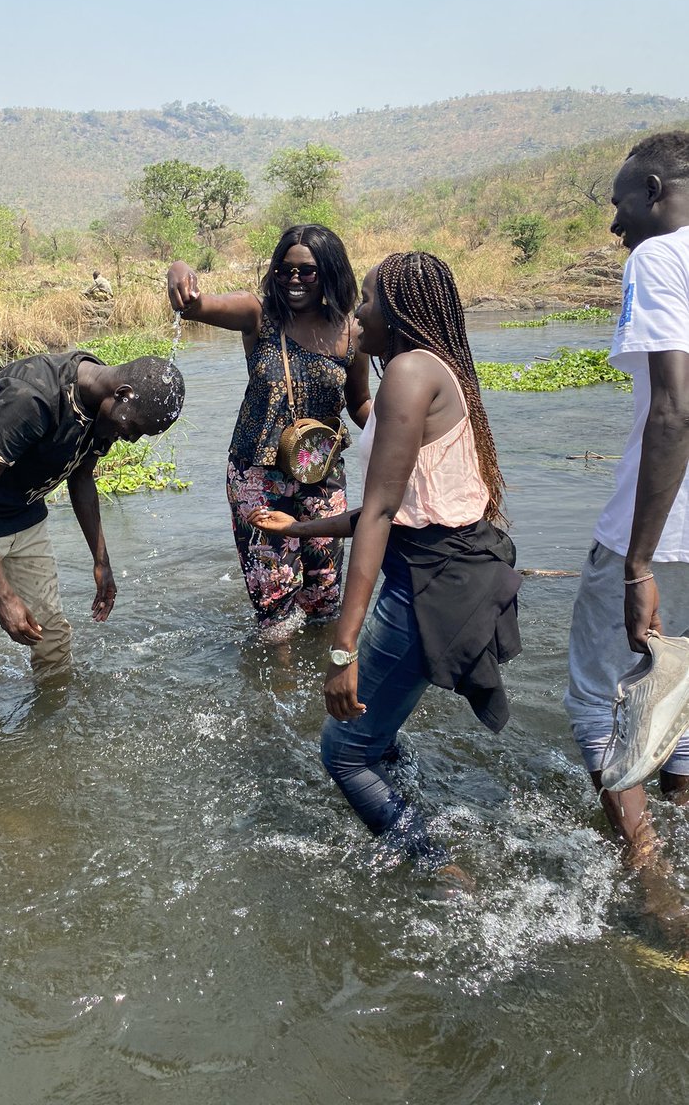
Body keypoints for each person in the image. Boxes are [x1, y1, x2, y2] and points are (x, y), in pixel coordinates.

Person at [250, 252, 521, 879]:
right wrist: (300, 526)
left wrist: (341, 648)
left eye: (368, 299)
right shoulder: (429, 369)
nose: (357, 310)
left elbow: (378, 513)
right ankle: (413, 800)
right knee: (374, 729)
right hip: (440, 567)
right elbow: (389, 505)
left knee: (343, 753)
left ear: (397, 310)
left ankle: (439, 869)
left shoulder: (408, 370)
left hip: (431, 580)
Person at [0, 352, 185, 732]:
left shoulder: (102, 409)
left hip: (22, 514)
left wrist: (101, 560)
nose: (132, 437)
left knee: (53, 641)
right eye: (135, 427)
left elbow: (82, 477)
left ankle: (50, 733)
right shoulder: (31, 398)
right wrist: (3, 594)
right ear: (122, 393)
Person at [563, 131, 689, 867]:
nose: (615, 226)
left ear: (651, 190)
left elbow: (674, 410)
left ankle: (649, 878)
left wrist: (637, 563)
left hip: (662, 530)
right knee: (682, 684)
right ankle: (676, 823)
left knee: (596, 699)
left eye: (619, 203)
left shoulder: (658, 257)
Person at [167, 224, 371, 641]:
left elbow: (360, 403)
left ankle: (319, 682)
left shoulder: (351, 333)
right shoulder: (258, 315)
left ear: (330, 273)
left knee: (324, 592)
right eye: (284, 270)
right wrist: (178, 269)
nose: (293, 280)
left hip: (322, 476)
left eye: (307, 271)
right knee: (273, 593)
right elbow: (195, 307)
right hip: (256, 476)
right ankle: (276, 688)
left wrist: (409, 438)